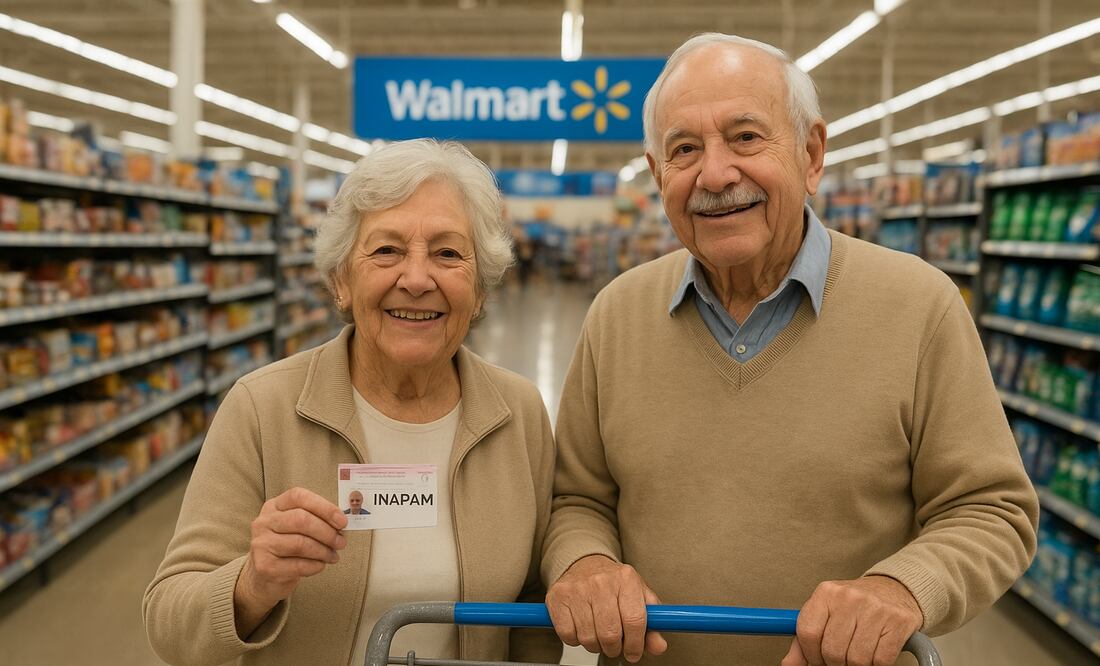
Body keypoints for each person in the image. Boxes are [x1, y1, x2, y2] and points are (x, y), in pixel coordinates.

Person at [541, 33, 1039, 665]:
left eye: (746, 138)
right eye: (684, 149)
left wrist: (902, 587)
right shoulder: (617, 313)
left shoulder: (920, 305)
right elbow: (577, 498)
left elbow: (991, 508)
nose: (715, 174)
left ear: (811, 153)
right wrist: (584, 562)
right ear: (656, 174)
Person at [144, 139, 557, 665]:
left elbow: (532, 601)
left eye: (448, 253)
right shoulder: (261, 408)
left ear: (478, 289)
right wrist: (253, 582)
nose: (415, 278)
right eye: (386, 250)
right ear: (341, 280)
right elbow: (169, 623)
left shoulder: (518, 413)